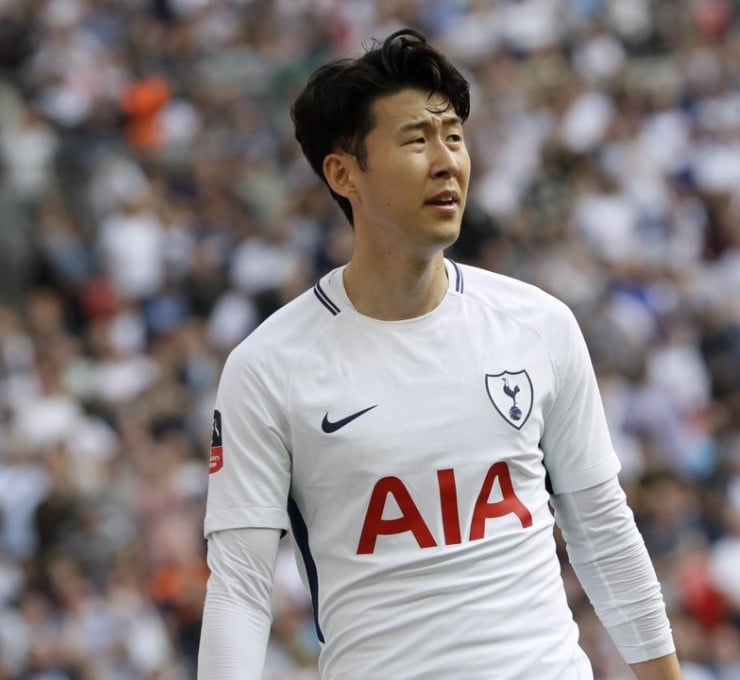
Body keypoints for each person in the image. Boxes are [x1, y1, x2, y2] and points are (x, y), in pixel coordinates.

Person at [197, 28, 684, 680]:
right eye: (415, 140)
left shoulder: (538, 326)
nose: (446, 159)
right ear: (344, 174)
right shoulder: (268, 367)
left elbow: (602, 529)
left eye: (453, 135)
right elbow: (239, 590)